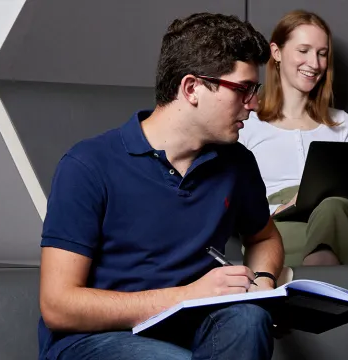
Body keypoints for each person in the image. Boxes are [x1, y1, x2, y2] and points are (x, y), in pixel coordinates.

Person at [37, 13, 282, 360]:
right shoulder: (87, 165)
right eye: (243, 89)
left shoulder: (237, 163)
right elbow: (58, 306)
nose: (254, 104)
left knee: (249, 318)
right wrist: (187, 295)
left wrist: (262, 283)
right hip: (94, 340)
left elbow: (264, 236)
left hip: (191, 328)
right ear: (192, 88)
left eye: (254, 90)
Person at [240, 10, 348, 267]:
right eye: (304, 50)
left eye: (321, 53)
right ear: (276, 52)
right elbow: (231, 195)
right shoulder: (246, 122)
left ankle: (316, 275)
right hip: (275, 224)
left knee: (333, 208)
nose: (315, 63)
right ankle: (326, 273)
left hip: (339, 216)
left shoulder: (341, 122)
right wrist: (284, 207)